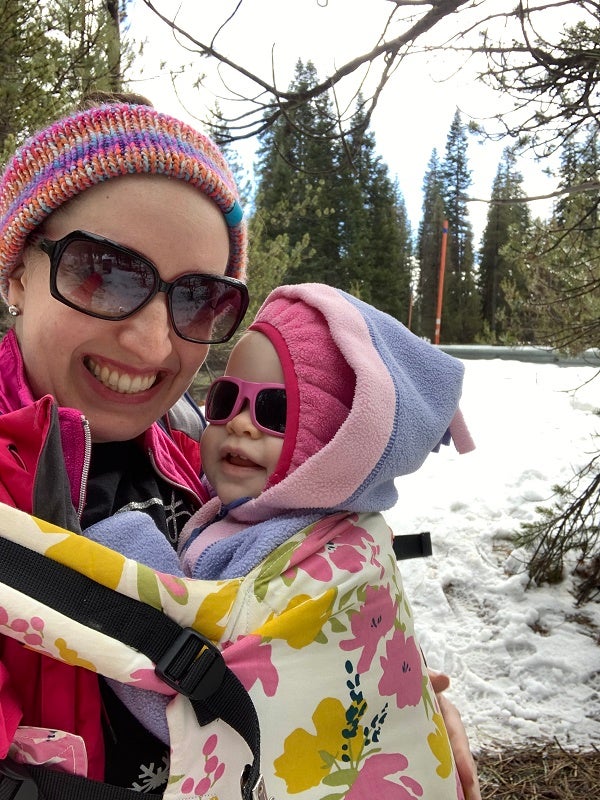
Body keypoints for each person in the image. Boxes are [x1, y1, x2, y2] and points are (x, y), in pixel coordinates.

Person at [0, 92, 480, 799]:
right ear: (14, 272)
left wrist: (390, 718)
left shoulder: (204, 459)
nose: (154, 343)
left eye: (198, 298)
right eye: (103, 273)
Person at [83, 282, 479, 799]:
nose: (240, 425)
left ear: (331, 444)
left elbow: (201, 702)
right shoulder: (273, 514)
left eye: (275, 412)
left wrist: (126, 546)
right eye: (225, 401)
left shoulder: (289, 550)